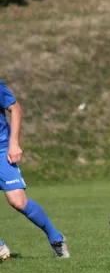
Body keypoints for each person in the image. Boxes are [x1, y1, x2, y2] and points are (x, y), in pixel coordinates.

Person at [0, 81, 69, 258]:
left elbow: (15, 108)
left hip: (1, 148)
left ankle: (56, 238)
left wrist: (13, 143)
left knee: (18, 201)